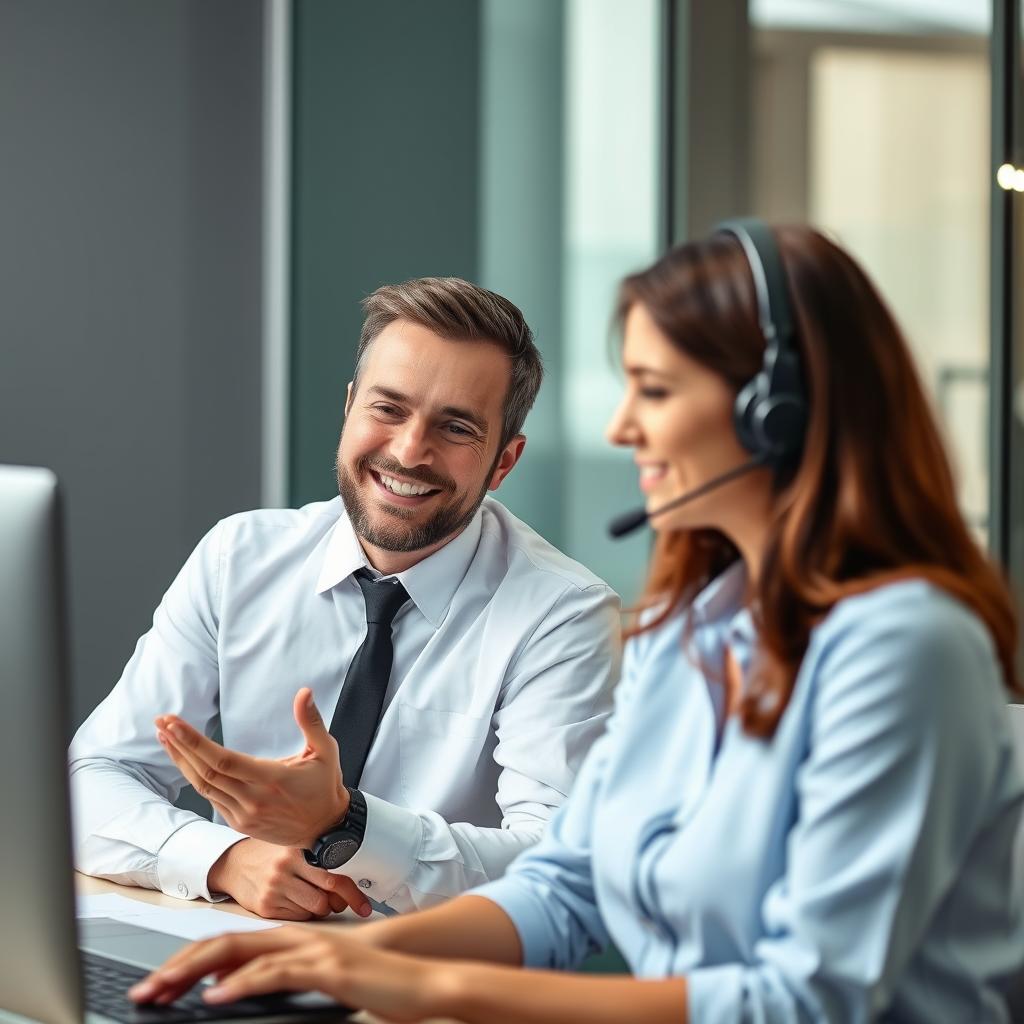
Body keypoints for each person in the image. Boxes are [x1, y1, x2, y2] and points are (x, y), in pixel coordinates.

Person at [131, 221, 1024, 1023]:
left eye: (655, 389)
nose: (621, 426)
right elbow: (565, 890)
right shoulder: (696, 627)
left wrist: (421, 987)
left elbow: (805, 1000)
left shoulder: (908, 647)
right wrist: (331, 958)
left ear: (777, 417)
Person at [70, 277, 620, 921]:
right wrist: (225, 859)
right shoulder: (237, 559)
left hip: (434, 986)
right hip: (247, 951)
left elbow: (554, 867)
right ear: (350, 407)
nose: (410, 451)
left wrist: (346, 824)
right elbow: (92, 778)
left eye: (457, 427)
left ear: (503, 462)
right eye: (388, 409)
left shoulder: (564, 614)